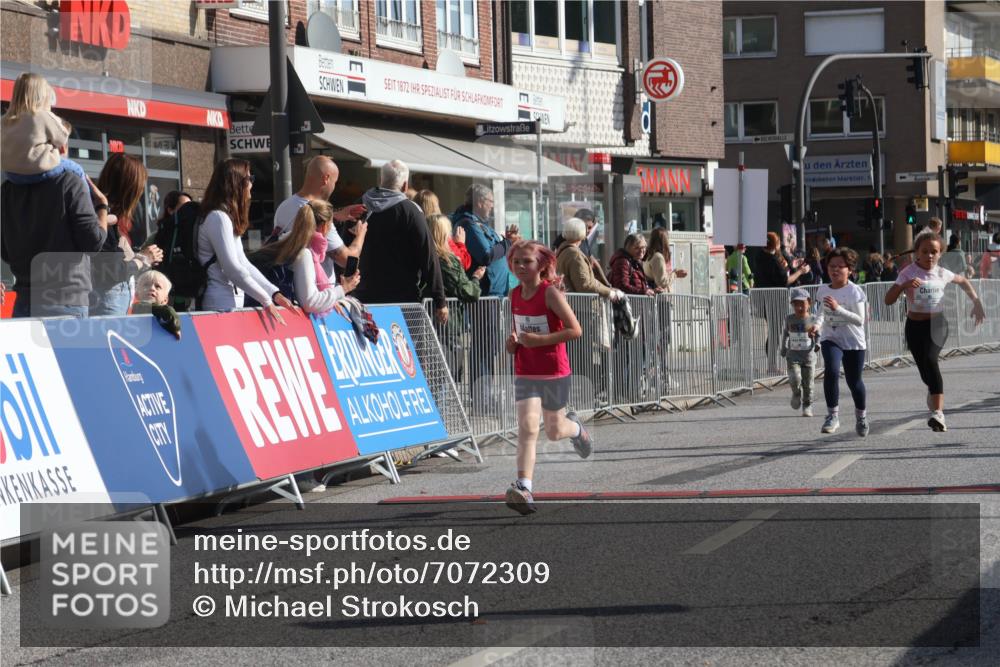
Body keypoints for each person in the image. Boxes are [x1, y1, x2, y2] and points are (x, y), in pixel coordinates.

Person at [504, 240, 591, 515]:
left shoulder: (550, 293)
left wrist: (540, 340)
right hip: (526, 369)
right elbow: (519, 333)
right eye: (516, 261)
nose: (520, 267)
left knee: (554, 432)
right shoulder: (513, 295)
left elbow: (575, 330)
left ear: (541, 265)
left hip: (553, 370)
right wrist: (513, 343)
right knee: (528, 428)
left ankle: (576, 429)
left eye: (527, 262)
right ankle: (524, 487)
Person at [884, 230, 986, 432]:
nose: (930, 255)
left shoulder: (942, 272)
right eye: (925, 251)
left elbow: (963, 281)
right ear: (917, 253)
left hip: (937, 324)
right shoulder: (908, 272)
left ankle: (938, 413)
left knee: (931, 360)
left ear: (940, 254)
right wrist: (904, 286)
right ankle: (933, 392)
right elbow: (888, 300)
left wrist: (976, 302)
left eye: (935, 252)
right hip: (914, 327)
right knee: (925, 372)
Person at [1, 167, 109, 318]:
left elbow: (6, 252)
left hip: (25, 303)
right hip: (66, 302)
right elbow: (93, 243)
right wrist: (102, 207)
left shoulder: (7, 189)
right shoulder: (69, 182)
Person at [198, 158, 295, 321]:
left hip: (229, 299)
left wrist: (274, 293)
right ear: (236, 183)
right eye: (249, 179)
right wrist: (265, 299)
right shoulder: (218, 218)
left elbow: (243, 263)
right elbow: (232, 268)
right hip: (219, 301)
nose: (251, 184)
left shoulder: (225, 217)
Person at [355, 160, 448, 322]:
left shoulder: (359, 206)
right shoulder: (410, 211)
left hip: (364, 297)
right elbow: (428, 256)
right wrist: (440, 300)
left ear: (380, 181)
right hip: (402, 300)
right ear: (405, 186)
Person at [253, 199, 361, 316]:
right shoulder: (304, 253)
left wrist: (331, 299)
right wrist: (343, 289)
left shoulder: (286, 241)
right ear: (325, 227)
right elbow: (310, 302)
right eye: (331, 227)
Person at [90, 154, 163, 316]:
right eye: (140, 186)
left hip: (110, 301)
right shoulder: (102, 217)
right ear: (129, 187)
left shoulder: (107, 215)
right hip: (106, 301)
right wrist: (143, 259)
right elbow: (109, 271)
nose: (142, 191)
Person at [270, 156, 367, 276]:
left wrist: (335, 215)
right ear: (326, 178)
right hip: (319, 290)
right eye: (335, 182)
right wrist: (361, 235)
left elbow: (306, 220)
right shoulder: (320, 218)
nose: (334, 187)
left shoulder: (284, 206)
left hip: (291, 283)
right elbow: (346, 260)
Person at [816, 247, 869, 436]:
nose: (835, 270)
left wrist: (838, 309)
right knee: (830, 370)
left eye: (840, 266)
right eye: (831, 266)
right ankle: (832, 416)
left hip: (853, 341)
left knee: (854, 382)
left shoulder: (855, 291)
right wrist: (816, 325)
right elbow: (821, 313)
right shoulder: (823, 289)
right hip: (831, 338)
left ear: (850, 270)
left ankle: (861, 417)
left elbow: (859, 320)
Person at [1, 72, 86, 186]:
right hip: (39, 170)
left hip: (11, 174)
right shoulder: (43, 115)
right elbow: (62, 137)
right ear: (42, 95)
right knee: (78, 170)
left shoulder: (5, 120)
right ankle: (91, 203)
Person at [453, 184, 511, 297]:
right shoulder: (469, 224)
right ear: (480, 202)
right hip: (487, 294)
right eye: (491, 201)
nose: (493, 206)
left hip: (495, 293)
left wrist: (507, 242)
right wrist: (507, 243)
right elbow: (486, 256)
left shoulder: (479, 223)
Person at [555, 218, 620, 300]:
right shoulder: (575, 255)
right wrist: (609, 293)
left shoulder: (563, 251)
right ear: (582, 233)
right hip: (581, 307)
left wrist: (608, 288)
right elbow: (584, 286)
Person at [781, 288, 821, 417]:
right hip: (793, 354)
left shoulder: (812, 319)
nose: (799, 307)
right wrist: (783, 347)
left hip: (808, 355)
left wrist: (818, 343)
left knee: (808, 383)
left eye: (802, 304)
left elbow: (818, 335)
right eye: (796, 304)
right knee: (795, 377)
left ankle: (807, 405)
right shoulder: (790, 319)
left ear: (809, 303)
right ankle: (796, 393)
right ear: (792, 305)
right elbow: (785, 334)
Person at [415, 189, 471, 270]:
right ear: (435, 207)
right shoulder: (439, 230)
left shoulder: (413, 228)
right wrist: (460, 244)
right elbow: (463, 263)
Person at [131, 270, 182, 340]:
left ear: (165, 300)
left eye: (158, 286)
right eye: (146, 285)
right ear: (137, 295)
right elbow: (146, 307)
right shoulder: (137, 307)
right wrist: (175, 326)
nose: (152, 288)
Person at [643, 227, 687, 293]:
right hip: (661, 298)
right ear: (665, 241)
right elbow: (662, 282)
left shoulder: (649, 255)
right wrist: (675, 274)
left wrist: (671, 273)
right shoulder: (658, 257)